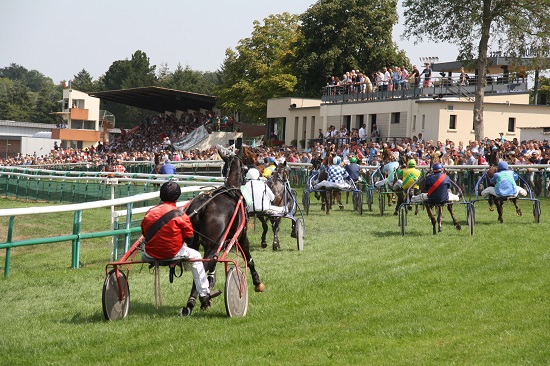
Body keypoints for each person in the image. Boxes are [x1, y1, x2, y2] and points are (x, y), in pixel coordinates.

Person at [141, 181, 221, 315]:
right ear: (177, 197)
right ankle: (204, 294)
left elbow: (144, 232)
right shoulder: (181, 215)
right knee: (196, 256)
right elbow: (190, 238)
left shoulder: (149, 212)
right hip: (172, 253)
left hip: (149, 253)